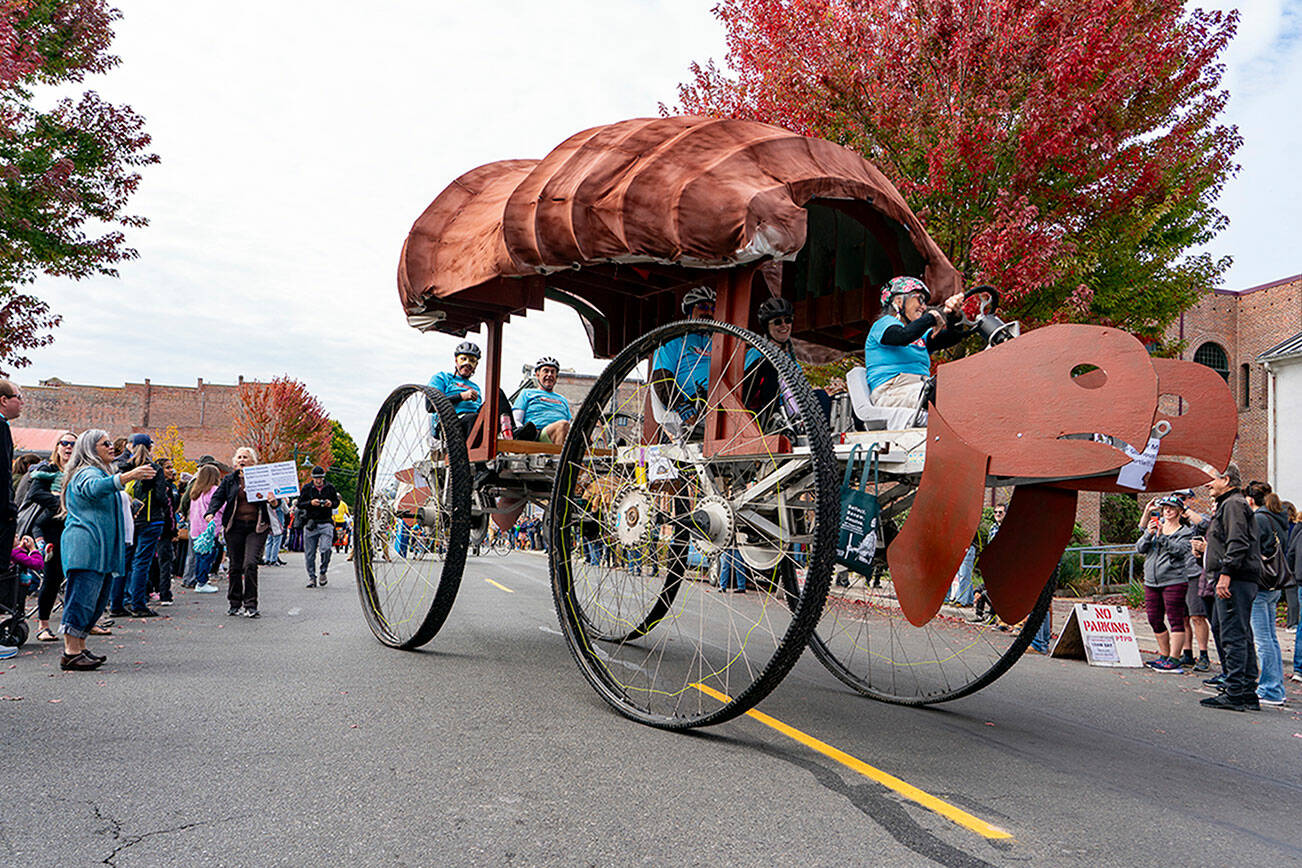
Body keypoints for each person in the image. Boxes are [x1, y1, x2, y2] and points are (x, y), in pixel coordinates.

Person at [59, 429, 156, 670]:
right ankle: (71, 651)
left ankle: (79, 647)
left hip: (99, 549)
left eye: (111, 443)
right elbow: (93, 488)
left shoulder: (100, 471)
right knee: (81, 599)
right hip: (86, 547)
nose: (111, 447)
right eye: (105, 444)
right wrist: (128, 476)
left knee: (95, 600)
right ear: (91, 449)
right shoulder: (86, 472)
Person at [1199, 462, 1262, 711]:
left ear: (1225, 479)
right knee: (1241, 634)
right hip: (1239, 578)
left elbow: (1237, 541)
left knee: (1233, 634)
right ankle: (1246, 691)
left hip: (1235, 580)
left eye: (1211, 479)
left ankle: (1235, 691)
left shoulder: (1233, 504)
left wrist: (1226, 573)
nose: (1207, 484)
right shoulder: (1233, 504)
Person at [863, 276, 966, 409]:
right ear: (899, 301)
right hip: (891, 392)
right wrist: (931, 318)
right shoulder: (883, 324)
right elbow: (902, 337)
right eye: (920, 299)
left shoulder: (919, 335)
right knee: (946, 391)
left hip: (919, 387)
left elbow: (952, 338)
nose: (923, 307)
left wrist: (954, 315)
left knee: (961, 385)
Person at [205, 447, 278, 618]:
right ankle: (234, 602)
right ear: (235, 461)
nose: (242, 460)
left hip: (257, 527)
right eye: (239, 458)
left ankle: (251, 604)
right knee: (235, 566)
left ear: (253, 462)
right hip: (234, 527)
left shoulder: (262, 479)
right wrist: (211, 512)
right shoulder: (230, 480)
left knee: (250, 563)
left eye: (246, 457)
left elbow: (276, 501)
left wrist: (273, 501)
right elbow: (218, 497)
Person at [108, 433, 168, 618]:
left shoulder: (123, 468)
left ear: (130, 446)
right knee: (141, 563)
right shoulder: (154, 469)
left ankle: (116, 604)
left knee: (123, 562)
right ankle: (138, 604)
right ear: (150, 448)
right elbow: (160, 498)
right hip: (151, 520)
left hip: (128, 520)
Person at [26, 431, 77, 642]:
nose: (69, 447)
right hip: (50, 528)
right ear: (57, 447)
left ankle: (80, 623)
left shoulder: (79, 471)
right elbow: (35, 493)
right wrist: (61, 501)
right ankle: (43, 625)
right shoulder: (48, 469)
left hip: (74, 528)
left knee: (78, 576)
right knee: (52, 577)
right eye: (65, 443)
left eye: (73, 444)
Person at [1135, 495, 1194, 671]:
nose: (1167, 511)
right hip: (1151, 581)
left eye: (1171, 508)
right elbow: (1139, 548)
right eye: (1165, 508)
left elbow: (1180, 551)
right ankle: (1164, 654)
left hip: (1174, 580)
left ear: (1179, 512)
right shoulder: (1155, 526)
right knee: (1154, 618)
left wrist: (1161, 537)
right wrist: (1149, 534)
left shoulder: (1185, 532)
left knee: (1175, 619)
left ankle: (1175, 658)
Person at [1245, 481, 1288, 707]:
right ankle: (1275, 685)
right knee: (1270, 637)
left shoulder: (1259, 519)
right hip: (1274, 583)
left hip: (1260, 585)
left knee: (1263, 640)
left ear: (1250, 500)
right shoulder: (1277, 516)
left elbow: (1252, 549)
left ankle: (1271, 689)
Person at [651, 285, 715, 422]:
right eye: (703, 307)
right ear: (690, 310)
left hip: (722, 397)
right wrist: (681, 406)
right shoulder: (673, 340)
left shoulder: (716, 342)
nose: (709, 313)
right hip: (694, 402)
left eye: (713, 309)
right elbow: (661, 378)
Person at [512, 356, 572, 444]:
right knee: (562, 425)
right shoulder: (527, 393)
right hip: (538, 435)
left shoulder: (563, 399)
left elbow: (570, 423)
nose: (549, 374)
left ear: (556, 377)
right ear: (537, 374)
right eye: (546, 371)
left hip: (563, 434)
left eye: (553, 372)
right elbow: (517, 420)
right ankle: (559, 456)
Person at [299, 465, 340, 588]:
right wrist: (310, 503)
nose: (318, 480)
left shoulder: (330, 488)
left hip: (326, 522)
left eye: (320, 478)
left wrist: (330, 503)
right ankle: (312, 577)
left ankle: (323, 571)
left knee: (326, 548)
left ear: (323, 477)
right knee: (310, 553)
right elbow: (299, 504)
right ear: (312, 478)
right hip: (311, 523)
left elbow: (337, 503)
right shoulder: (307, 488)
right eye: (316, 478)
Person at [184, 464, 223, 593]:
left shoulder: (196, 491)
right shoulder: (214, 491)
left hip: (195, 529)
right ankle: (202, 582)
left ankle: (199, 580)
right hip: (208, 530)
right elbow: (223, 507)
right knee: (207, 557)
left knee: (199, 556)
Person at [0, 379, 24, 575]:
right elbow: (3, 471)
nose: (22, 403)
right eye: (19, 397)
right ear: (4, 400)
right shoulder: (1, 427)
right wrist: (9, 507)